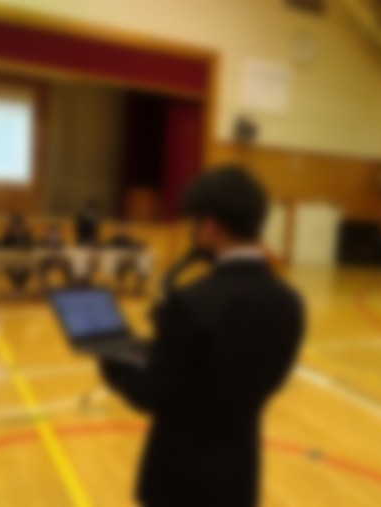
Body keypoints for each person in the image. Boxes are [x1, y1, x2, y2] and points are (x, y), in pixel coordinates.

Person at [99, 165, 305, 507]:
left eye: (195, 226)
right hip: (238, 475)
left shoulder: (192, 301)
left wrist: (110, 357)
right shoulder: (290, 301)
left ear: (210, 227)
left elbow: (151, 394)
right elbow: (263, 377)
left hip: (180, 480)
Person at [104, 222, 150, 295]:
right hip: (118, 263)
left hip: (130, 261)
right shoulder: (112, 241)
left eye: (124, 228)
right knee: (112, 260)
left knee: (143, 259)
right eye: (120, 228)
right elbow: (108, 252)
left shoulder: (131, 241)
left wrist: (138, 248)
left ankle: (139, 286)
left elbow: (138, 248)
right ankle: (118, 287)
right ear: (116, 230)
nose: (122, 230)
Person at [0, 214, 34, 293]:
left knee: (27, 268)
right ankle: (17, 287)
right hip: (10, 260)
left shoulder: (27, 236)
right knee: (9, 268)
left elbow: (30, 248)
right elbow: (3, 249)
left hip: (24, 260)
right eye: (15, 227)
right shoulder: (7, 236)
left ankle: (19, 288)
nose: (18, 229)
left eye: (19, 227)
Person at [37, 223, 72, 290]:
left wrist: (59, 259)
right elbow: (41, 254)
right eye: (52, 234)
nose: (54, 236)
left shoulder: (61, 243)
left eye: (55, 234)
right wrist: (49, 258)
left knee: (67, 264)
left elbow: (64, 253)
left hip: (59, 261)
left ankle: (68, 285)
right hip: (47, 262)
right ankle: (43, 286)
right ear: (48, 235)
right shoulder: (43, 243)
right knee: (41, 266)